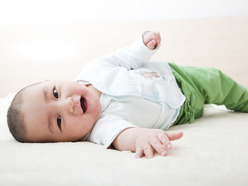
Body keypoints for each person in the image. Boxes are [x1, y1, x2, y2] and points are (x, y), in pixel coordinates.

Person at [7, 31, 248, 159]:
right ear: (66, 141)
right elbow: (125, 136)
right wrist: (142, 138)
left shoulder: (93, 69)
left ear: (53, 80)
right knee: (214, 88)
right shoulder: (99, 128)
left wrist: (142, 46)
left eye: (56, 93)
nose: (67, 104)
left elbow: (124, 58)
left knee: (216, 78)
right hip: (183, 107)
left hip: (174, 74)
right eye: (58, 121)